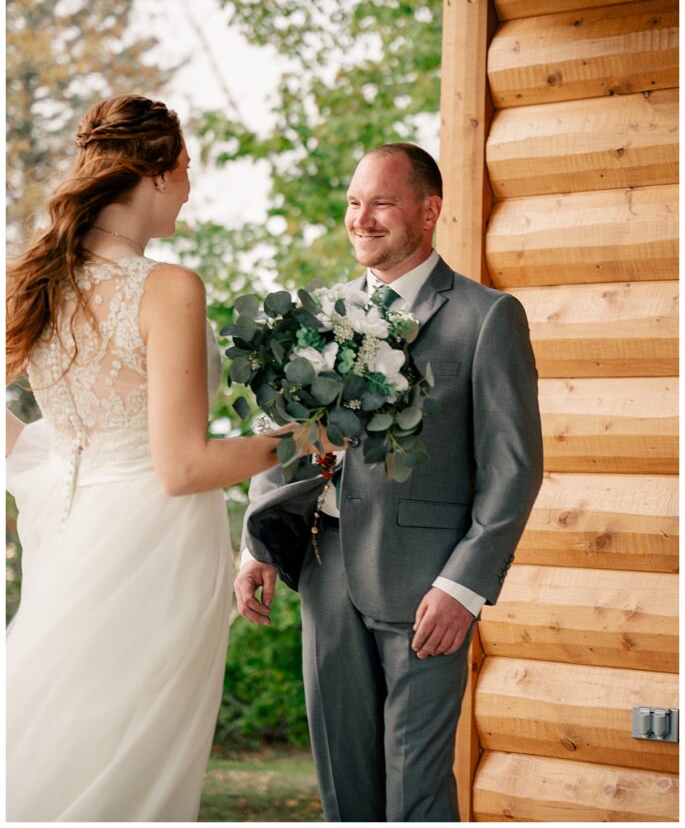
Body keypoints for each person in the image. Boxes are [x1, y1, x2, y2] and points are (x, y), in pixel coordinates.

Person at [5, 93, 333, 822]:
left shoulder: (37, 279)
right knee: (134, 758)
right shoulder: (167, 288)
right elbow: (182, 468)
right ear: (156, 173)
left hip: (71, 531)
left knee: (70, 726)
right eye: (187, 170)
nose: (189, 189)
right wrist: (302, 438)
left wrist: (56, 463)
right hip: (151, 547)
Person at [234, 142, 543, 822]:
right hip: (324, 566)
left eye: (380, 203)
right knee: (343, 786)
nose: (361, 218)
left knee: (415, 790)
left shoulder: (485, 317)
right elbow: (279, 437)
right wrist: (255, 545)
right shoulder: (319, 313)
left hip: (426, 584)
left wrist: (462, 585)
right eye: (353, 202)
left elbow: (513, 468)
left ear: (428, 212)